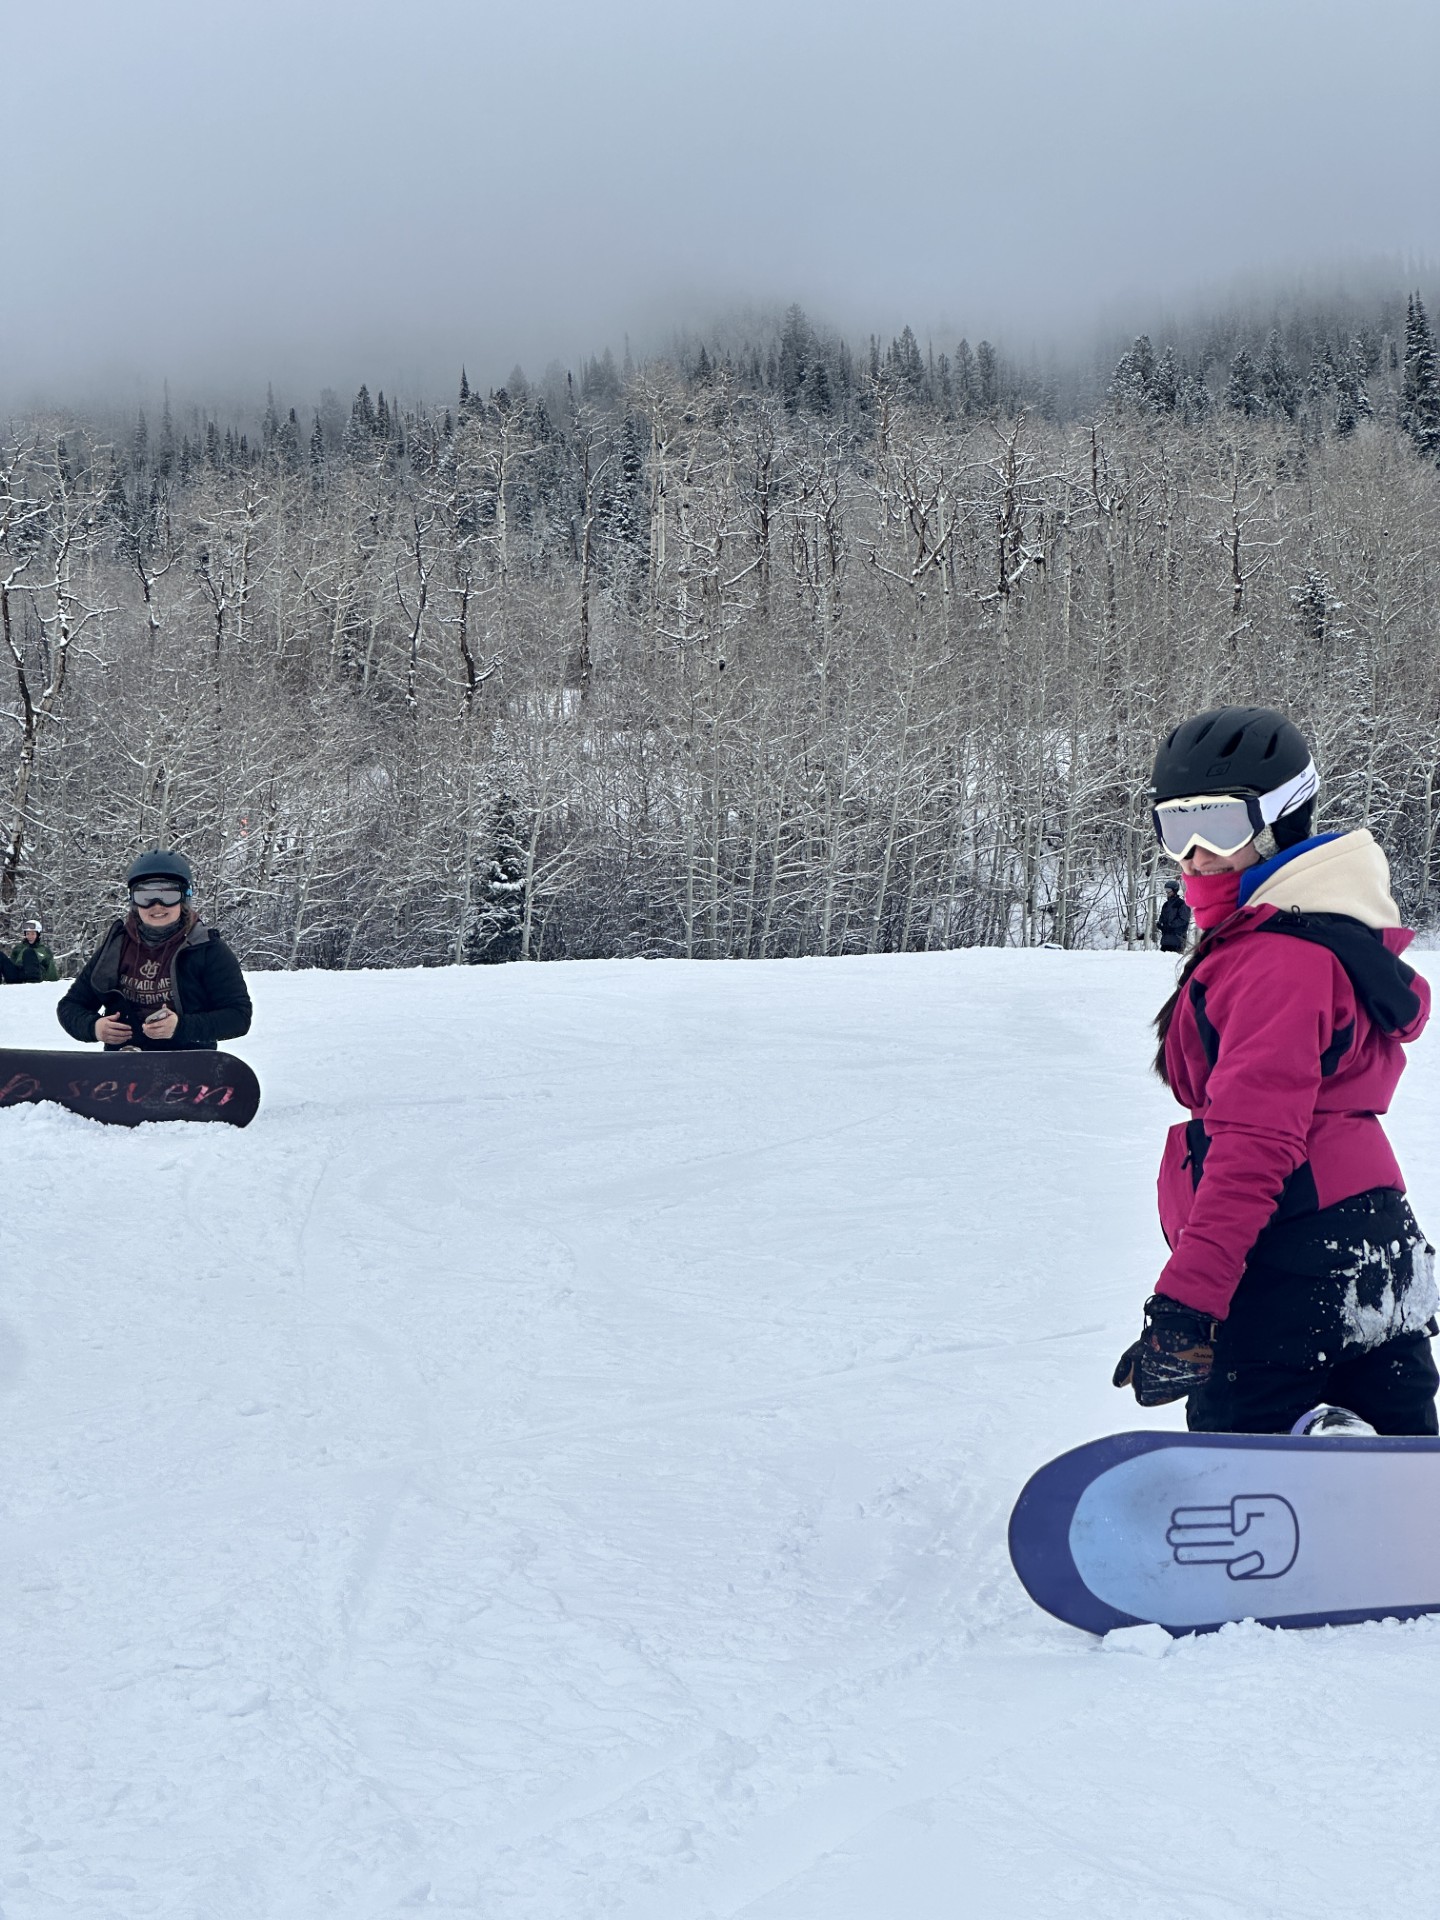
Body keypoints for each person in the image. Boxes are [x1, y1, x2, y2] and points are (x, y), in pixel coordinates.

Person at [1113, 705, 1438, 1437]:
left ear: (1283, 819)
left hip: (1291, 1258)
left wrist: (1187, 1305)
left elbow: (1256, 1143)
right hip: (1376, 1249)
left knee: (1249, 1492)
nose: (1194, 855)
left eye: (1219, 827)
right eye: (1175, 828)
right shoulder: (1319, 935)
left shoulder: (1276, 959)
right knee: (1402, 1499)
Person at [58, 850, 252, 1052]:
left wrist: (181, 1027)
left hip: (192, 1068)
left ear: (184, 898)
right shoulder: (117, 946)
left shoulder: (207, 949)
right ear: (134, 901)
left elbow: (239, 1016)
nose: (157, 906)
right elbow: (71, 1006)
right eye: (145, 896)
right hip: (122, 1067)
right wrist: (94, 1028)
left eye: (168, 895)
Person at [9, 917, 58, 983]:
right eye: (28, 934)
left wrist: (54, 984)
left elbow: (51, 969)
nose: (30, 936)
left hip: (37, 978)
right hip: (20, 977)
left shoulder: (44, 950)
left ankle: (32, 983)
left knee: (28, 952)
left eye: (33, 934)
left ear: (38, 935)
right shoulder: (18, 948)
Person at [1155, 880, 1190, 954]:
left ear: (1174, 890)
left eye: (1169, 890)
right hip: (1165, 941)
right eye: (1166, 890)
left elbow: (1184, 920)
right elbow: (1162, 918)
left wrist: (1170, 925)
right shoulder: (1166, 905)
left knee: (1173, 962)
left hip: (1177, 941)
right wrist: (1161, 925)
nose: (1167, 892)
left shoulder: (1181, 904)